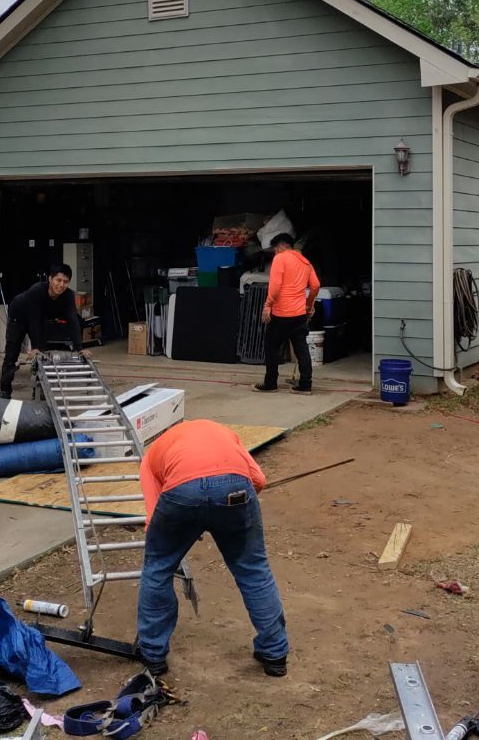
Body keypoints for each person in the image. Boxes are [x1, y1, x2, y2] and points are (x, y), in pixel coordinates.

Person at [135, 419, 289, 677]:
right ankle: (275, 654)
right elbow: (259, 480)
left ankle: (153, 654)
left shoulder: (152, 456)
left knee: (158, 569)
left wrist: (188, 524)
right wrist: (225, 513)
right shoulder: (225, 433)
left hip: (181, 493)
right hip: (235, 489)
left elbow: (153, 518)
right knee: (253, 569)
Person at [0, 263, 88, 398]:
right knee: (12, 353)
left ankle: (40, 390)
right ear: (50, 279)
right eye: (58, 280)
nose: (61, 285)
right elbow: (34, 321)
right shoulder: (37, 291)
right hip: (19, 315)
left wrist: (79, 348)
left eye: (65, 282)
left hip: (41, 318)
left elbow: (73, 321)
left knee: (42, 354)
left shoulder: (69, 295)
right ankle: (5, 391)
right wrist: (34, 347)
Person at [254, 233, 320, 394]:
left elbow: (275, 286)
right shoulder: (305, 262)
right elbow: (316, 285)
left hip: (281, 313)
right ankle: (305, 385)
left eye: (276, 249)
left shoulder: (280, 258)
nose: (275, 253)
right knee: (301, 349)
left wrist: (267, 305)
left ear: (282, 246)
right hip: (299, 314)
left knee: (271, 346)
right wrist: (308, 305)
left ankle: (270, 383)